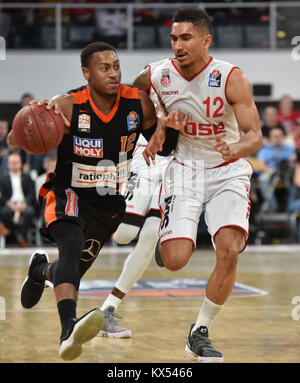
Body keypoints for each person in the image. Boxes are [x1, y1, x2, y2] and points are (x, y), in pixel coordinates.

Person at [9, 42, 186, 361]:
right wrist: (31, 120)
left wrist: (170, 127)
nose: (114, 72)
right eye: (104, 68)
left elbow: (163, 150)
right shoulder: (65, 105)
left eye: (116, 66)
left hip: (107, 201)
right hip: (66, 193)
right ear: (86, 73)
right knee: (72, 247)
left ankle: (39, 270)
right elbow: (16, 138)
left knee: (72, 268)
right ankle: (68, 332)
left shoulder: (138, 102)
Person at [143, 6, 262, 363]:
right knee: (176, 259)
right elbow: (120, 96)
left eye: (186, 37)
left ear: (206, 40)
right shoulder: (157, 74)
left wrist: (235, 147)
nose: (177, 44)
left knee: (229, 249)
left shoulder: (231, 77)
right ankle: (167, 247)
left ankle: (200, 331)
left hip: (227, 169)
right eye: (174, 38)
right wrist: (161, 123)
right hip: (185, 170)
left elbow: (255, 135)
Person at [98, 59, 173, 338]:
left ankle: (109, 306)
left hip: (174, 165)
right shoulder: (145, 87)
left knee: (151, 234)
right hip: (143, 158)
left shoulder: (198, 88)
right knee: (124, 234)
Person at [0, 150, 35, 247]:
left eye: (16, 163)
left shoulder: (27, 177)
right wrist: (9, 203)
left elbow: (31, 193)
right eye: (12, 163)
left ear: (21, 164)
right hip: (9, 204)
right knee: (4, 212)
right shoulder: (3, 178)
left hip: (24, 204)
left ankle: (21, 235)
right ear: (8, 164)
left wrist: (26, 203)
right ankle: (18, 237)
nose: (14, 165)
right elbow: (2, 196)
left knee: (30, 212)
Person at [256, 126, 296, 210]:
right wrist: (270, 171)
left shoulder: (289, 148)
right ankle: (273, 205)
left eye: (280, 136)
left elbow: (295, 162)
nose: (278, 138)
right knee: (263, 179)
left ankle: (292, 205)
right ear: (270, 138)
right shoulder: (266, 149)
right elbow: (261, 165)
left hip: (288, 172)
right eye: (275, 136)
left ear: (283, 137)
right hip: (271, 171)